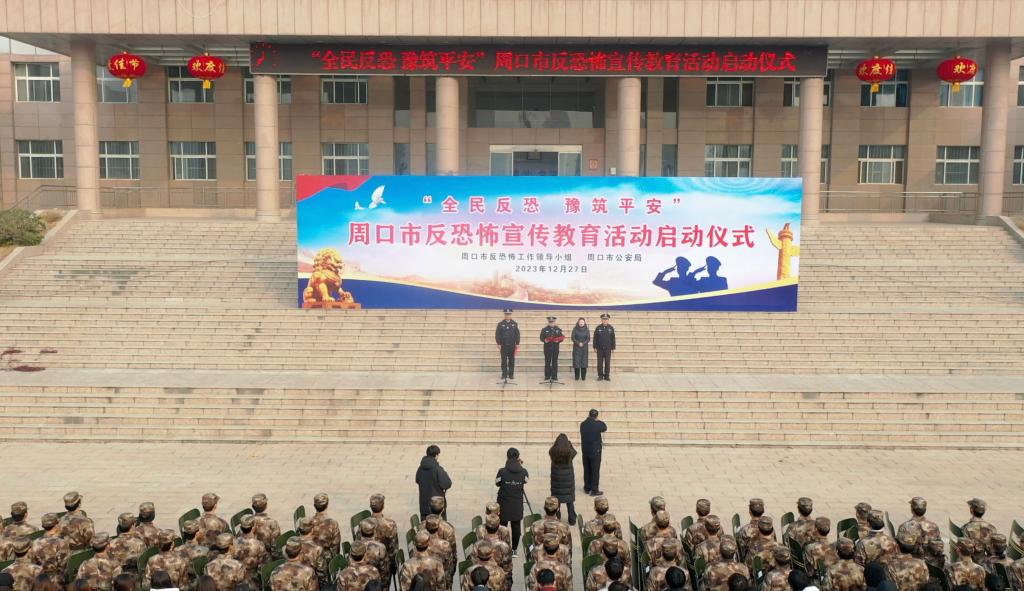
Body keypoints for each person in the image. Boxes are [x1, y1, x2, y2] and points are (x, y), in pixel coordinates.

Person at [495, 448, 529, 556]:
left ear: (507, 457)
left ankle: (502, 548)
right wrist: (520, 466)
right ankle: (514, 549)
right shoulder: (523, 471)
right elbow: (526, 480)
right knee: (516, 526)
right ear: (518, 457)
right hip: (516, 505)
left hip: (504, 504)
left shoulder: (502, 471)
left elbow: (497, 483)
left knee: (502, 527)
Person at [30, 514, 69, 589]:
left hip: (40, 582)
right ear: (56, 525)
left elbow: (33, 563)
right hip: (57, 583)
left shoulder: (35, 542)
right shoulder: (61, 543)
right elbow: (64, 567)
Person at [548, 434, 577, 526]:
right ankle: (572, 519)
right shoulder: (569, 453)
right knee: (570, 502)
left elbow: (550, 450)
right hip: (568, 482)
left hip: (557, 482)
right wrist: (570, 444)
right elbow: (575, 452)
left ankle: (557, 518)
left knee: (557, 501)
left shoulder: (553, 452)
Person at [416, 445, 452, 519]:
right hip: (437, 505)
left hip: (424, 505)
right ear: (436, 455)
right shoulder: (437, 469)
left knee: (425, 524)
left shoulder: (420, 468)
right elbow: (447, 483)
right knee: (439, 524)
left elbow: (417, 480)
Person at [580, 409, 607, 496]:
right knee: (595, 470)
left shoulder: (583, 424)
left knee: (587, 469)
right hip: (595, 451)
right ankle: (594, 490)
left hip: (585, 450)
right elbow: (604, 427)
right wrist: (597, 420)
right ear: (596, 416)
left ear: (589, 415)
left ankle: (587, 488)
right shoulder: (597, 424)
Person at [309, 493, 342, 559]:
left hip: (310, 556)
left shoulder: (308, 522)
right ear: (327, 505)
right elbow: (336, 547)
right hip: (326, 559)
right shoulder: (332, 524)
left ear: (314, 506)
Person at [494, 309, 520, 381]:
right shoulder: (500, 324)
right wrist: (498, 343)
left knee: (511, 360)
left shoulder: (514, 324)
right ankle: (504, 374)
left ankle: (511, 374)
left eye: (509, 314)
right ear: (504, 315)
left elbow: (517, 334)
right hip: (503, 346)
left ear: (511, 315)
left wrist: (517, 343)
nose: (507, 316)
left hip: (512, 345)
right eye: (506, 314)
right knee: (504, 361)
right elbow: (497, 334)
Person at [539, 317, 564, 381]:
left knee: (554, 362)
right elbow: (541, 337)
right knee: (547, 362)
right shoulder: (544, 329)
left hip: (555, 348)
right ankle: (547, 376)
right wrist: (544, 340)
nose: (551, 323)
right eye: (550, 322)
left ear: (554, 322)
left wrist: (558, 340)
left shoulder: (558, 329)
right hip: (547, 348)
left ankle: (554, 376)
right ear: (548, 322)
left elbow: (562, 337)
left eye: (552, 322)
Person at [592, 314, 616, 381]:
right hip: (600, 349)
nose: (605, 320)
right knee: (600, 363)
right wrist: (594, 347)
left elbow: (613, 338)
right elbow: (595, 338)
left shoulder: (611, 328)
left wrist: (613, 347)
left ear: (608, 320)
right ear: (601, 320)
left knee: (607, 363)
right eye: (603, 319)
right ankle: (600, 376)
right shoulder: (598, 328)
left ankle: (607, 376)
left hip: (608, 349)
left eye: (606, 319)